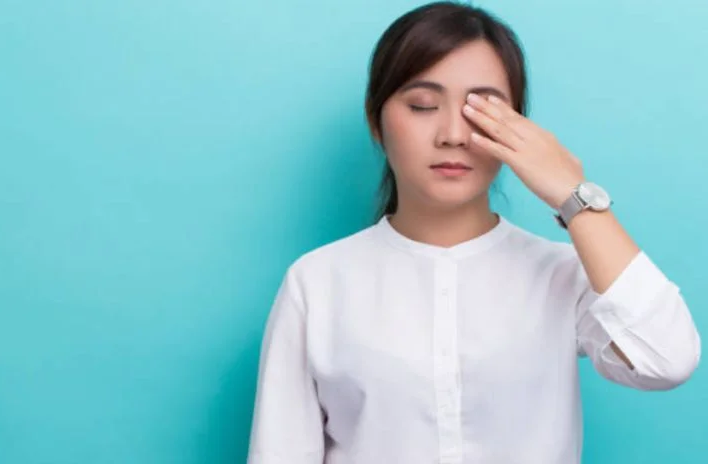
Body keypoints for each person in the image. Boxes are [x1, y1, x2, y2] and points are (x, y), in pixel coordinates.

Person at [246, 2, 701, 463]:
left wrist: (573, 194)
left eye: (481, 110)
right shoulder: (318, 282)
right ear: (376, 121)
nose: (452, 134)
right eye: (422, 106)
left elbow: (667, 360)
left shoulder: (564, 274)